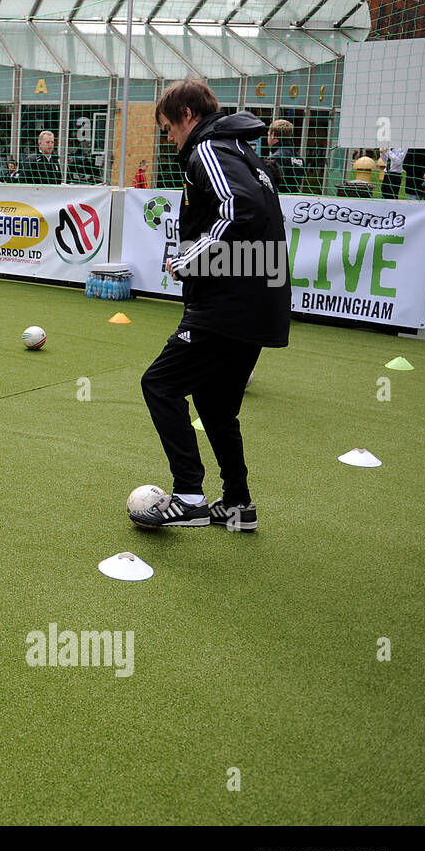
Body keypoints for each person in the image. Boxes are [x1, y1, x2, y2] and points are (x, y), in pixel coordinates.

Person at [135, 79, 290, 531]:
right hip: (257, 301)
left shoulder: (209, 150)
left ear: (187, 115)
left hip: (230, 302)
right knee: (215, 404)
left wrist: (186, 259)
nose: (169, 138)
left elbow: (237, 209)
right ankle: (238, 503)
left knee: (159, 385)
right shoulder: (241, 151)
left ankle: (188, 495)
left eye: (168, 128)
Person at [264, 119, 305, 194]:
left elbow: (270, 185)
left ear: (273, 135)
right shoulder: (299, 158)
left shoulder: (276, 158)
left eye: (268, 134)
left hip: (280, 200)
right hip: (294, 200)